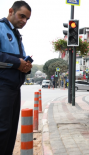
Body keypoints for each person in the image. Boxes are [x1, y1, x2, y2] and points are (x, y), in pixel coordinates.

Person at [0, 1, 32, 154]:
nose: (24, 21)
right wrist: (16, 62)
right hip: (2, 87)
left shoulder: (17, 35)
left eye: (27, 19)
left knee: (11, 130)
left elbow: (21, 60)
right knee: (2, 128)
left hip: (14, 88)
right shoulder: (1, 28)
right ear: (11, 11)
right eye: (22, 16)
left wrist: (26, 66)